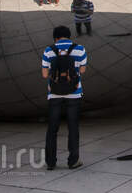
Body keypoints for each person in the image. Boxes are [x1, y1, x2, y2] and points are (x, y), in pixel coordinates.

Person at [42, 26, 87, 170]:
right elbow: (82, 70)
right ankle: (73, 161)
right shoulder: (80, 49)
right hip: (74, 93)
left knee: (52, 129)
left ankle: (50, 162)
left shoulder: (48, 50)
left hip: (54, 94)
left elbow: (44, 74)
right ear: (69, 36)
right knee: (73, 127)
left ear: (55, 38)